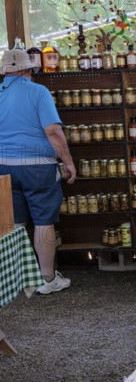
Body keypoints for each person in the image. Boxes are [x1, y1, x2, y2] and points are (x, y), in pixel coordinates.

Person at [0, 49, 77, 294]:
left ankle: (20, 281)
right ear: (28, 70)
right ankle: (46, 279)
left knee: (14, 224)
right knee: (43, 221)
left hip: (3, 165)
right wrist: (68, 161)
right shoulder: (38, 92)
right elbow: (53, 131)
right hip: (37, 165)